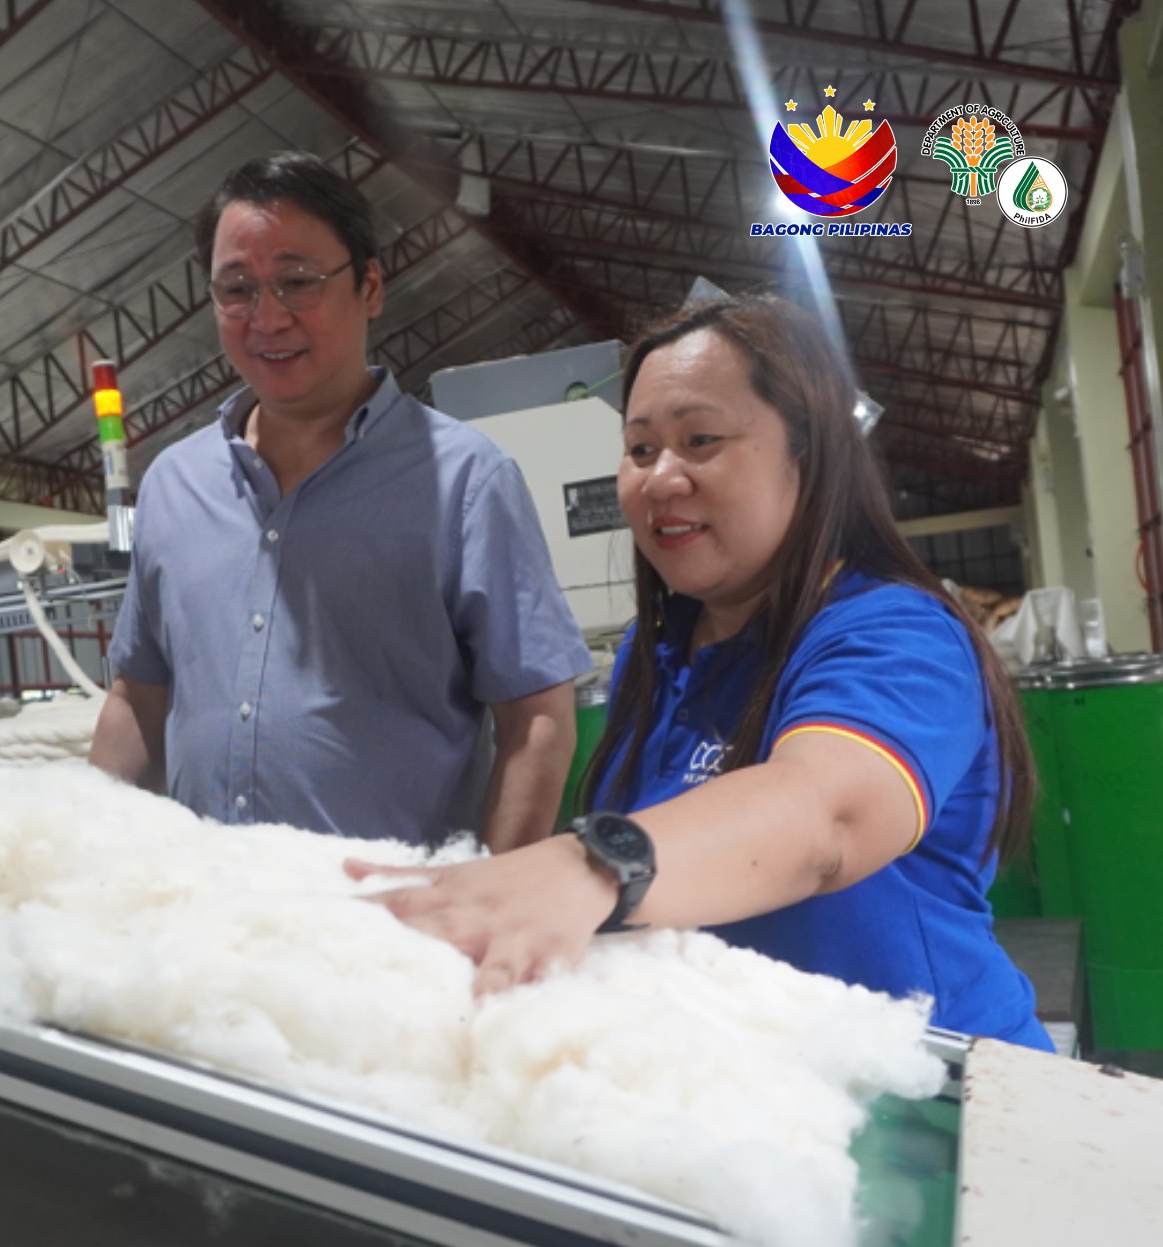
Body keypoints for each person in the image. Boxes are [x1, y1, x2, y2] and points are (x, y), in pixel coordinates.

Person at [90, 151, 593, 1247]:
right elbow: (138, 698)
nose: (266, 318)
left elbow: (537, 710)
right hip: (212, 958)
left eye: (297, 283)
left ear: (371, 287)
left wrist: (498, 901)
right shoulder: (174, 489)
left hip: (394, 954)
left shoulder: (463, 477)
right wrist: (81, 863)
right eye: (235, 289)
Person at [355, 294, 1051, 1054]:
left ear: (807, 456)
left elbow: (823, 815)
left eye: (701, 439)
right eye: (642, 448)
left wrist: (589, 866)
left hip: (930, 1095)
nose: (660, 479)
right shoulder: (653, 656)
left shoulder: (898, 637)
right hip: (756, 1101)